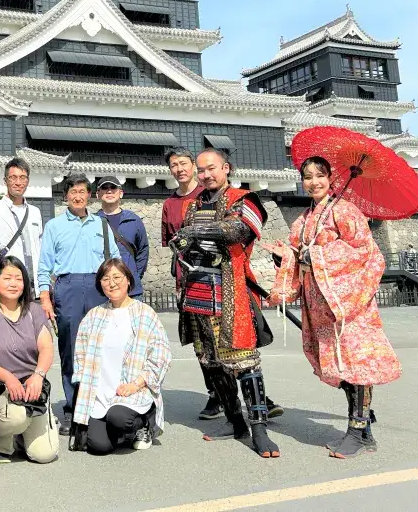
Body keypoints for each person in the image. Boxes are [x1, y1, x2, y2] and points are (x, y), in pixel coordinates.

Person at [264, 156, 402, 459]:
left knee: (357, 365)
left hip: (349, 302)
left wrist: (317, 257)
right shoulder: (304, 218)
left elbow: (364, 251)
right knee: (339, 365)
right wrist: (285, 256)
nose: (314, 182)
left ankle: (357, 429)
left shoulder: (345, 210)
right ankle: (364, 430)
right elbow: (300, 254)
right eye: (308, 176)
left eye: (320, 176)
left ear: (331, 179)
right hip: (320, 301)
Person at [169, 149, 280, 458]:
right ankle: (235, 422)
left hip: (229, 292)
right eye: (201, 170)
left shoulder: (246, 199)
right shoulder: (193, 205)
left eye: (211, 169)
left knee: (244, 361)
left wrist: (192, 232)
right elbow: (184, 243)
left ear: (226, 168)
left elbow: (238, 230)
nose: (206, 175)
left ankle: (258, 428)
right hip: (195, 293)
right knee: (211, 363)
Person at [37, 173, 121, 436]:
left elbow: (115, 260)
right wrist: (44, 297)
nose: (77, 196)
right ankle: (74, 408)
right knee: (71, 350)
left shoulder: (102, 225)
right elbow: (43, 266)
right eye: (72, 191)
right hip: (67, 289)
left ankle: (101, 404)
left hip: (98, 288)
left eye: (82, 191)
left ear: (89, 195)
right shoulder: (54, 226)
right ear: (65, 196)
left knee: (102, 349)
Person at [71, 258, 172, 455]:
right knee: (98, 447)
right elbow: (80, 356)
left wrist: (137, 383)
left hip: (133, 389)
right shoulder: (93, 316)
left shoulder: (144, 313)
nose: (112, 283)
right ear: (100, 284)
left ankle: (143, 424)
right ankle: (118, 431)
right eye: (106, 278)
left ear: (128, 280)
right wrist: (84, 386)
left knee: (119, 418)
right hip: (100, 394)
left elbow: (161, 354)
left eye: (117, 277)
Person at [0, 255, 58, 464]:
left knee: (44, 455)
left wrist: (38, 375)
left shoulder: (35, 311)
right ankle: (0, 439)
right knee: (16, 417)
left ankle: (21, 434)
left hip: (32, 388)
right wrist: (7, 377)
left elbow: (46, 347)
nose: (13, 283)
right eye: (7, 278)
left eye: (19, 279)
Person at [161, 147, 217, 420]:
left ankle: (254, 395)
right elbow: (171, 244)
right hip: (187, 280)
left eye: (184, 163)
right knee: (200, 342)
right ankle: (215, 394)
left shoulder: (207, 195)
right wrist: (178, 280)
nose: (179, 169)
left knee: (226, 339)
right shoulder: (169, 204)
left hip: (215, 278)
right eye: (174, 165)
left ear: (194, 166)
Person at [0, 157, 44, 292]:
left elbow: (39, 250)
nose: (18, 182)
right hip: (7, 288)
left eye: (23, 177)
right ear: (5, 181)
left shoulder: (35, 212)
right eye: (13, 177)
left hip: (33, 287)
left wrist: (44, 286)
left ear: (28, 181)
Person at [94, 176, 149, 300]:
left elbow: (143, 251)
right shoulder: (93, 222)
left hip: (130, 289)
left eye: (113, 187)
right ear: (98, 194)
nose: (109, 191)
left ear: (121, 193)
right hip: (102, 289)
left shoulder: (134, 220)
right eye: (104, 188)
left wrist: (132, 275)